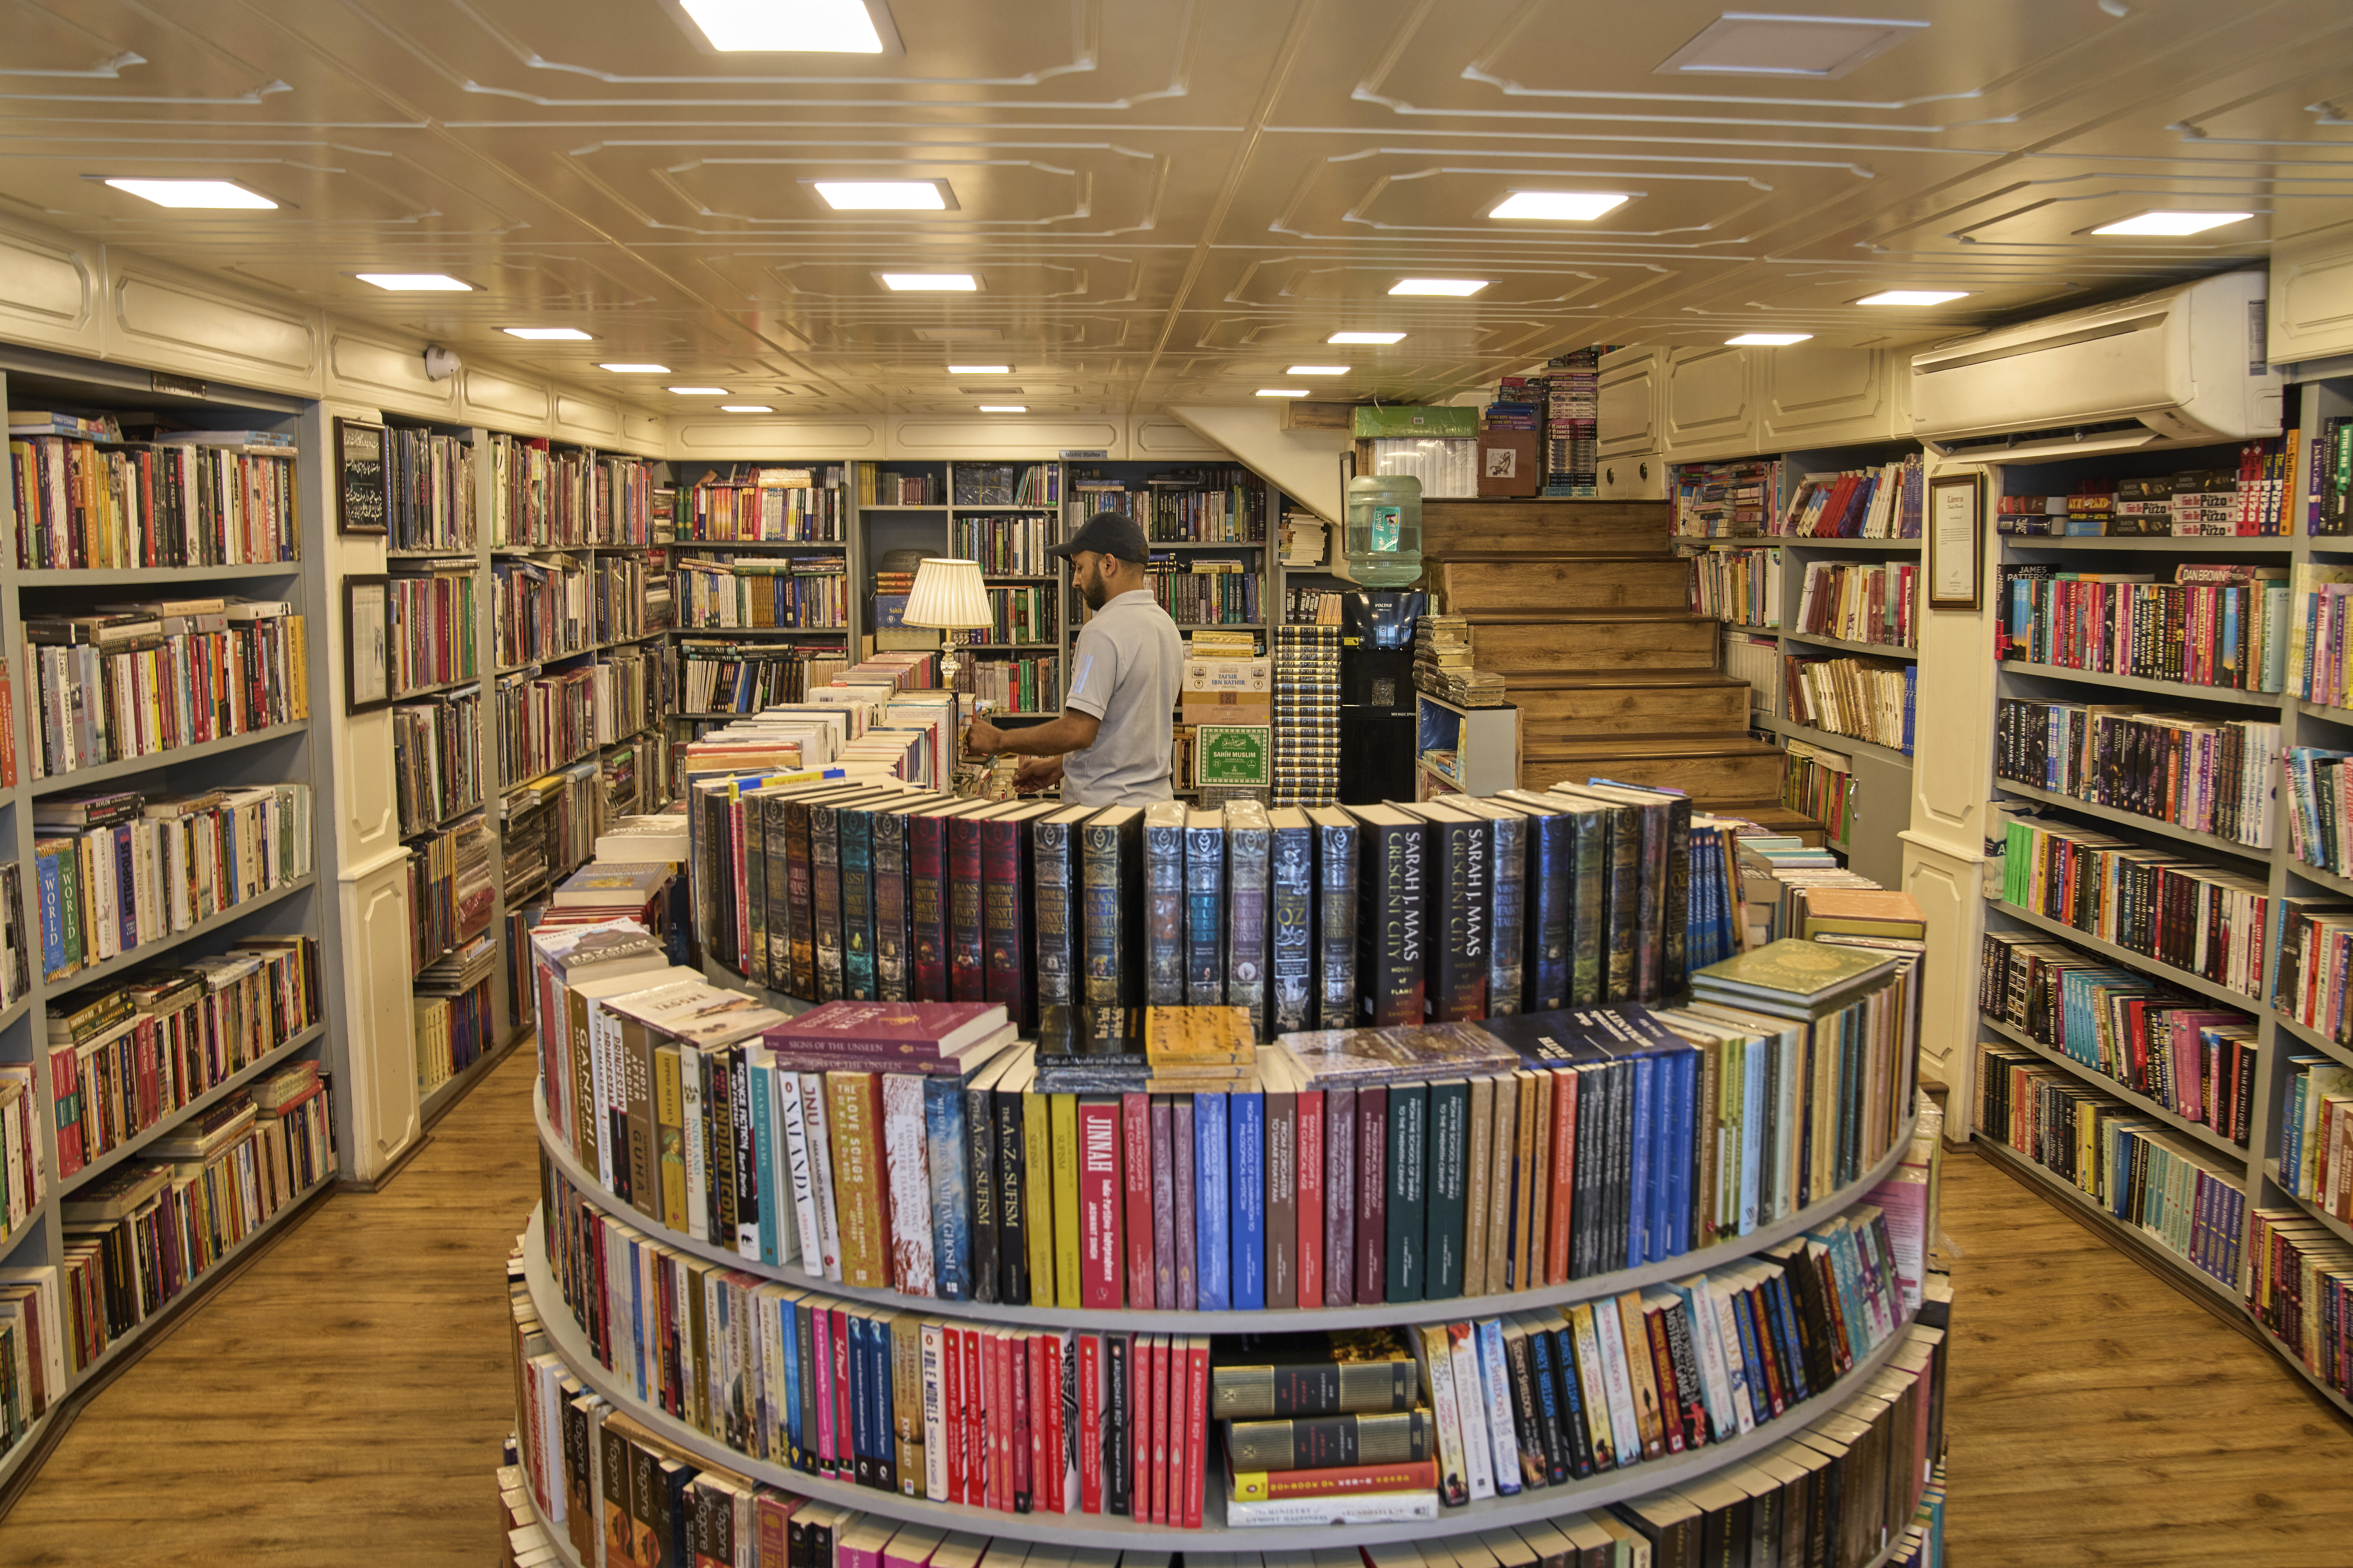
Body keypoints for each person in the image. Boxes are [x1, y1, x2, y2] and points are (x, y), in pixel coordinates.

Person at [963, 510, 1182, 806]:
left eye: (1080, 568)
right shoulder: (1166, 627)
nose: (1076, 581)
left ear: (1108, 564)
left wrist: (1000, 740)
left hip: (1102, 815)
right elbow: (1127, 728)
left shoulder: (1102, 632)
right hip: (1155, 807)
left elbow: (1079, 730)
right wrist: (1061, 766)